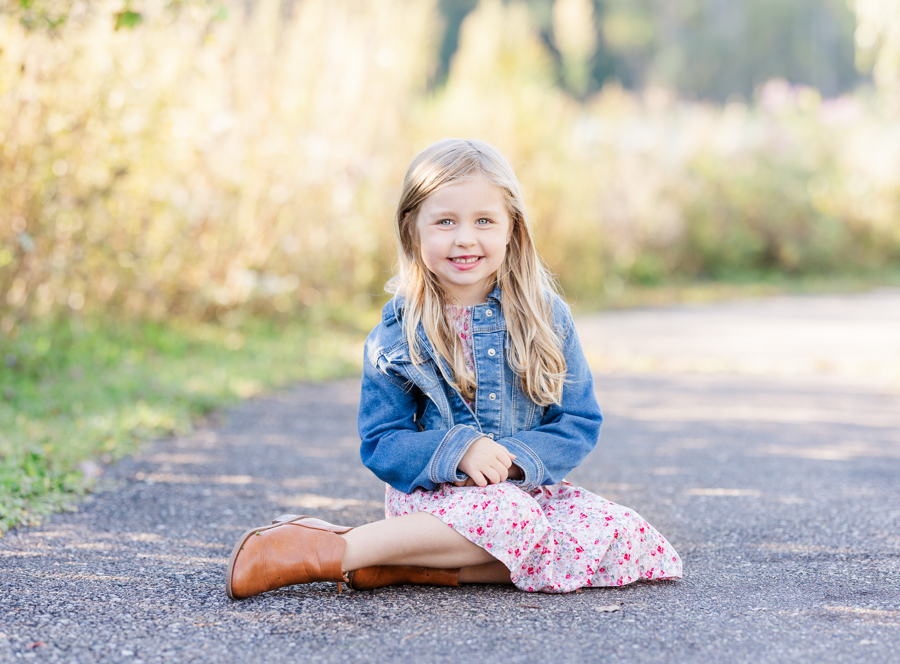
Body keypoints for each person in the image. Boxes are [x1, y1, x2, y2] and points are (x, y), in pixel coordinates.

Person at [225, 139, 682, 599]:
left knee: (621, 537)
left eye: (484, 220)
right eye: (445, 222)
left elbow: (578, 421)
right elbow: (382, 442)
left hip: (522, 493)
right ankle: (319, 552)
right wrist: (459, 450)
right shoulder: (398, 334)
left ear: (511, 229)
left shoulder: (547, 317)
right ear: (412, 231)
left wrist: (515, 461)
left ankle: (392, 566)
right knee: (512, 522)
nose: (465, 238)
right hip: (433, 502)